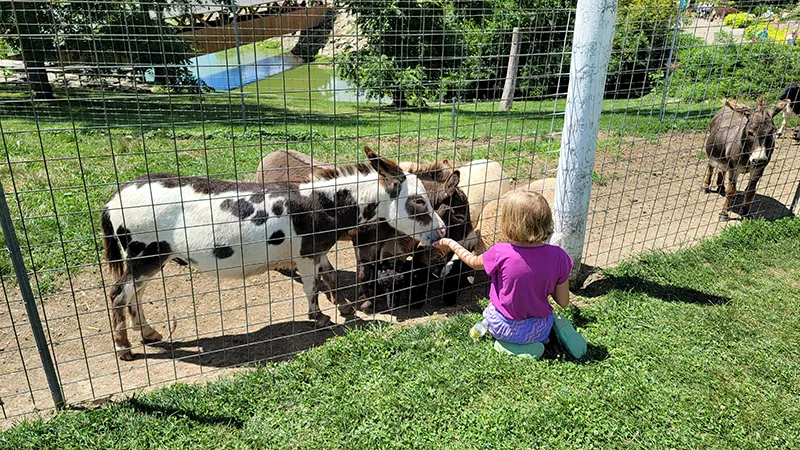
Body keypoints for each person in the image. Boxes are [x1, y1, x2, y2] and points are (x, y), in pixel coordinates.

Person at [434, 189, 586, 360]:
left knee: (492, 309)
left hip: (502, 327)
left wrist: (449, 243)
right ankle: (555, 329)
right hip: (538, 329)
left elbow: (471, 260)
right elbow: (563, 302)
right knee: (550, 316)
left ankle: (503, 342)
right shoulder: (559, 256)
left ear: (508, 225)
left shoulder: (500, 252)